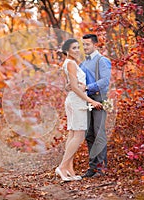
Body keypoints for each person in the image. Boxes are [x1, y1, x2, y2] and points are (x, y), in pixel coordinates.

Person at [55, 38, 102, 181]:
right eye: (74, 48)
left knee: (72, 133)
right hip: (77, 102)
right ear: (67, 50)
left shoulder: (70, 63)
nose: (77, 50)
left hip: (73, 100)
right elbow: (75, 88)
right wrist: (91, 101)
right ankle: (62, 167)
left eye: (78, 48)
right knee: (79, 135)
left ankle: (69, 168)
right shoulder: (70, 63)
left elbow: (70, 85)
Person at [79, 34, 112, 178]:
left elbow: (105, 81)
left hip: (99, 98)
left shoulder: (102, 61)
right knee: (89, 134)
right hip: (86, 99)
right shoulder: (82, 64)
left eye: (87, 44)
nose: (85, 47)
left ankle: (101, 168)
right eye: (83, 44)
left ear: (95, 45)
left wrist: (87, 87)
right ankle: (92, 168)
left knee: (99, 132)